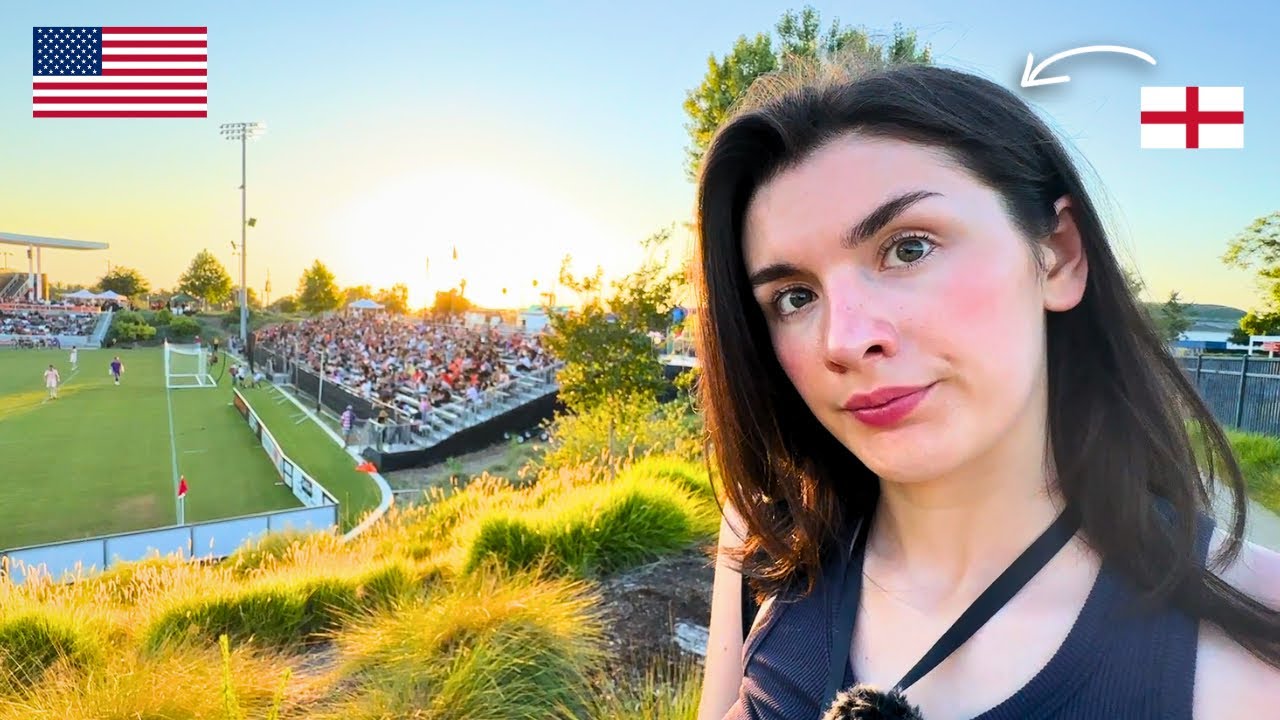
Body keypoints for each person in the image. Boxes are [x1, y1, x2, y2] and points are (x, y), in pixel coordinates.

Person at [693, 63, 1280, 720]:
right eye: (795, 297)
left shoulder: (1258, 644)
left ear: (1057, 255)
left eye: (909, 249)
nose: (844, 341)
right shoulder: (769, 544)